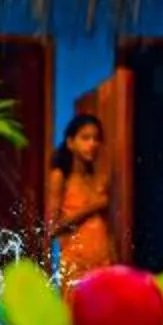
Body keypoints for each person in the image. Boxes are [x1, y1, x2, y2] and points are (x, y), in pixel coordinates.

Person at [43, 111, 117, 280]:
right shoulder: (60, 176)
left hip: (103, 265)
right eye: (85, 138)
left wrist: (115, 263)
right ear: (70, 143)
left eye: (96, 139)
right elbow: (52, 228)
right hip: (76, 267)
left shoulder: (99, 180)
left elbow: (108, 229)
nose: (92, 144)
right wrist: (93, 207)